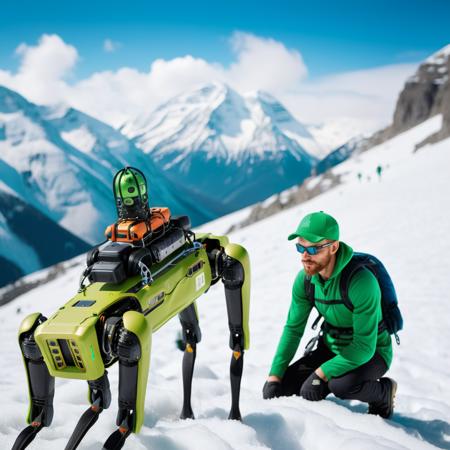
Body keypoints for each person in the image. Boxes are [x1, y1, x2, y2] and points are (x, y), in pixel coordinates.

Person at [263, 211, 396, 418]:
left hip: (372, 352)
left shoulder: (361, 282)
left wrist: (321, 373)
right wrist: (274, 375)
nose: (305, 256)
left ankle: (383, 393)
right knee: (282, 390)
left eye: (313, 249)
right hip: (330, 347)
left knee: (341, 385)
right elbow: (293, 329)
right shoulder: (305, 281)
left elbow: (364, 347)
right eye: (300, 247)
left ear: (333, 247)